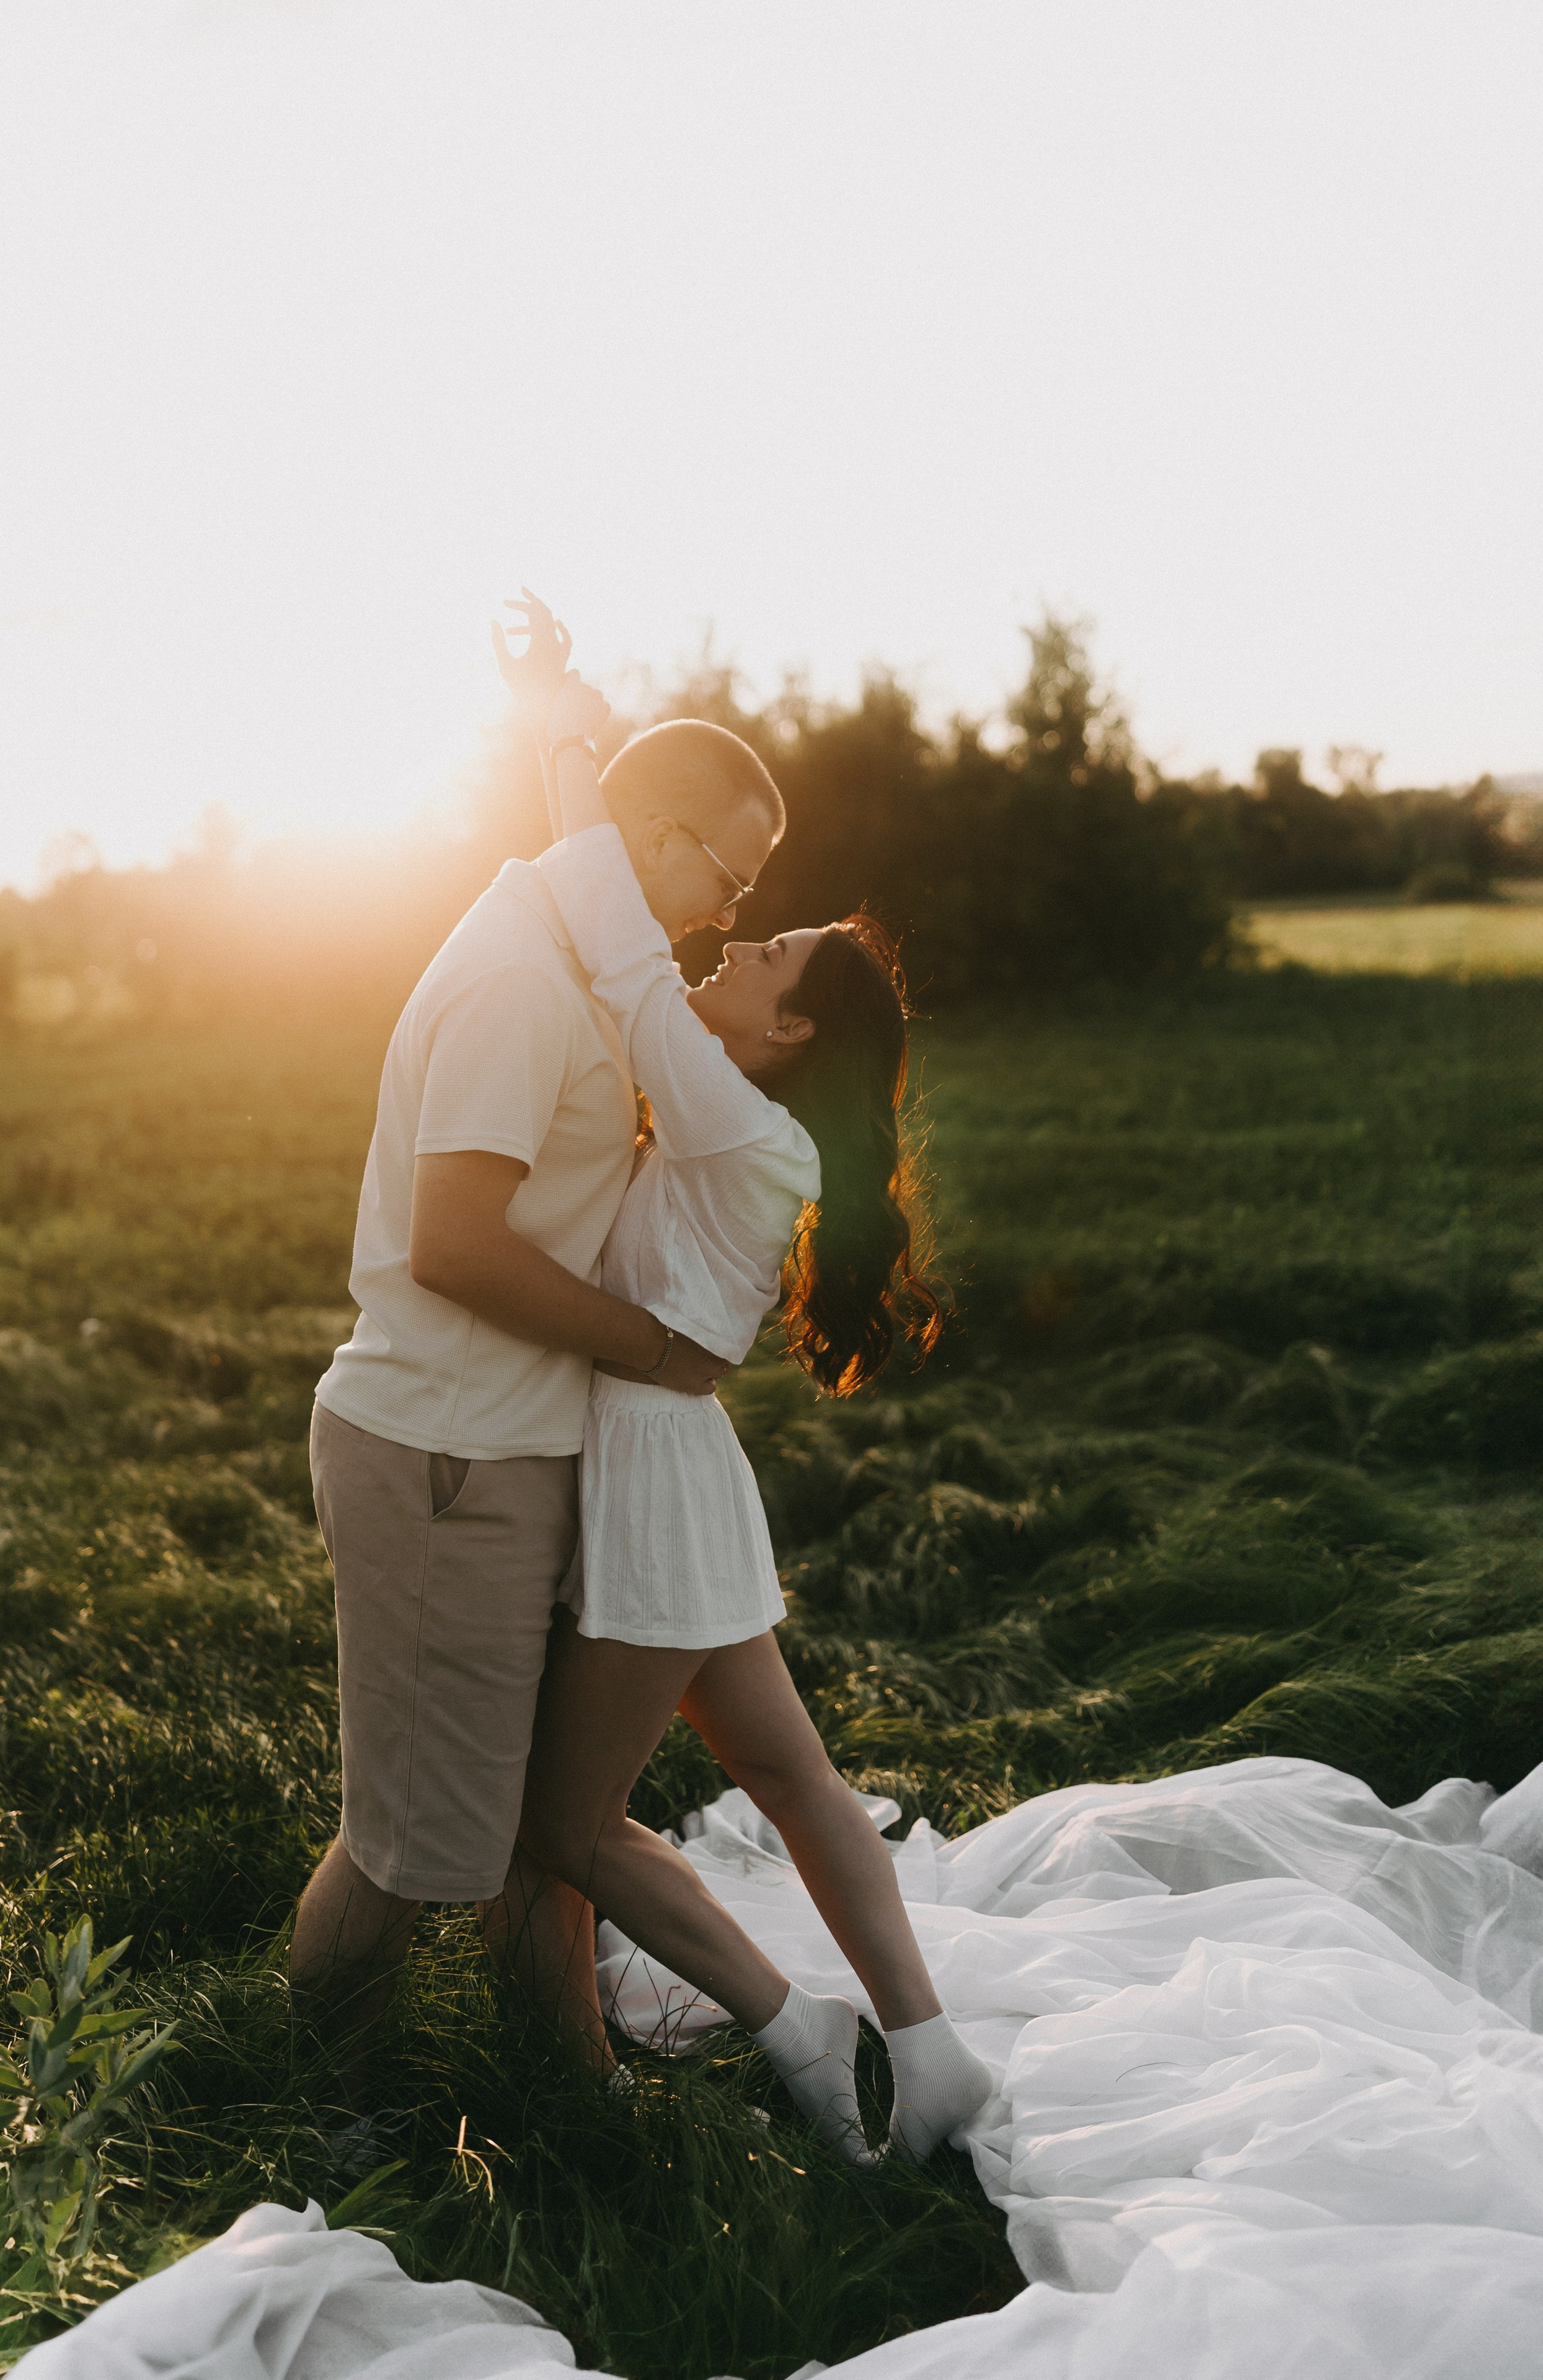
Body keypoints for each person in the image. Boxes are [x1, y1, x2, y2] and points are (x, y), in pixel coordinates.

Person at [505, 614, 994, 2164]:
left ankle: (797, 2025)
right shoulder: (756, 1121)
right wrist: (562, 745)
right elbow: (609, 915)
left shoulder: (725, 1111)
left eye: (769, 956)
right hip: (683, 1463)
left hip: (653, 1474)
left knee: (556, 1825)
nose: (741, 941)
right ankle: (931, 2054)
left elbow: (627, 942)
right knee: (791, 1776)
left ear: (785, 1034)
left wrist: (568, 745)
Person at [289, 606, 786, 2085]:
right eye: (726, 873)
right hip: (443, 1448)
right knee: (411, 1847)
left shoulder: (583, 923)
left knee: (523, 1828)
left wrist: (552, 702)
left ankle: (569, 2085)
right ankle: (330, 2115)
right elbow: (455, 1239)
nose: (722, 911)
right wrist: (650, 1346)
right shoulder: (521, 978)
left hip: (509, 1441)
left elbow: (592, 795)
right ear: (654, 836)